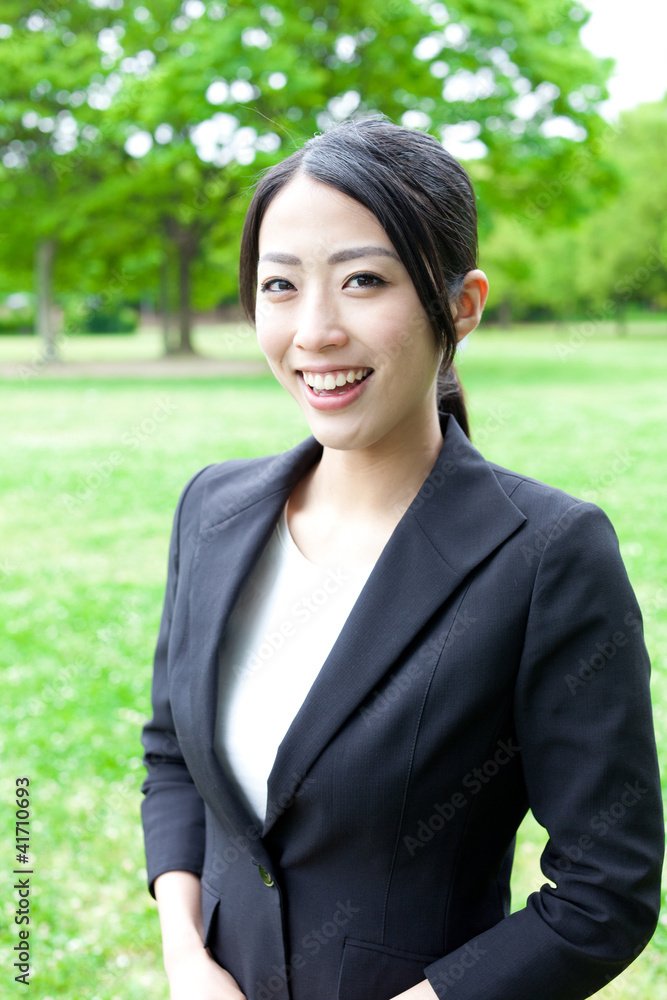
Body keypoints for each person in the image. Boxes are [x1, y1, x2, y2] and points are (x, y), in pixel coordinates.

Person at [140, 116, 663, 1000]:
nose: (314, 331)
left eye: (363, 281)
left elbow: (603, 894)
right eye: (279, 284)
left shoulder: (545, 556)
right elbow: (172, 759)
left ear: (460, 304)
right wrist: (185, 958)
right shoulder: (212, 509)